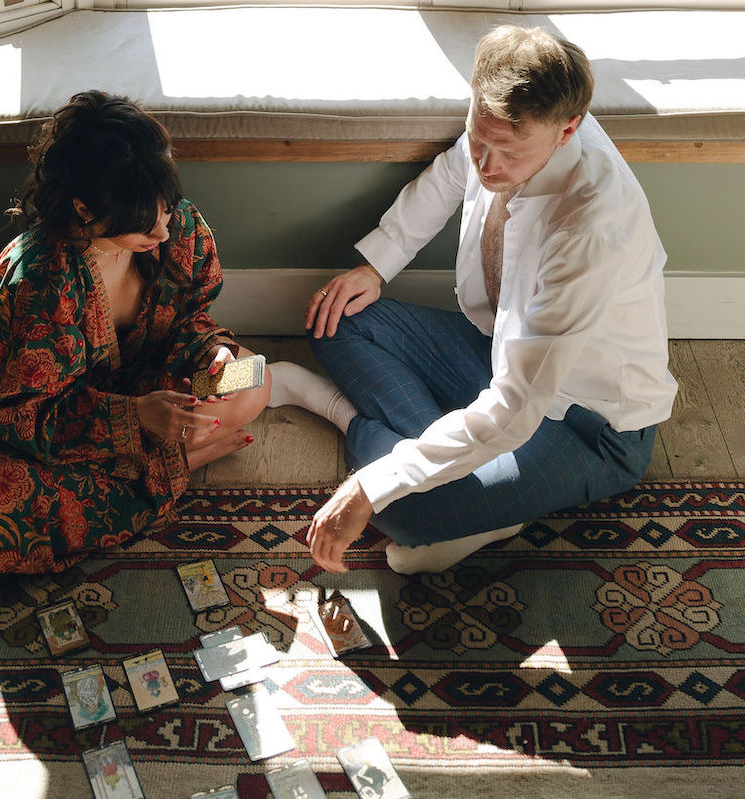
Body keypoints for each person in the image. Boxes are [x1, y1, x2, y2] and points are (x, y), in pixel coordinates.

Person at [268, 25, 677, 575]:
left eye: (506, 152)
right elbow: (451, 171)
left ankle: (333, 407)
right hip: (497, 353)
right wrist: (376, 266)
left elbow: (515, 410)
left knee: (401, 507)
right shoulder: (508, 130)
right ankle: (478, 498)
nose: (486, 165)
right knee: (338, 315)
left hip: (585, 424)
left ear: (568, 130)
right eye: (478, 138)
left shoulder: (590, 230)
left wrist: (368, 486)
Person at [0, 90, 270, 606]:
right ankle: (177, 464)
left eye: (166, 207)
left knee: (251, 378)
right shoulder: (42, 280)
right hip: (32, 423)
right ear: (84, 208)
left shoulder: (177, 227)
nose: (163, 228)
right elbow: (19, 416)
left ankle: (162, 463)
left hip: (146, 381)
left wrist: (211, 353)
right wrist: (135, 417)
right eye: (144, 219)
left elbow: (190, 319)